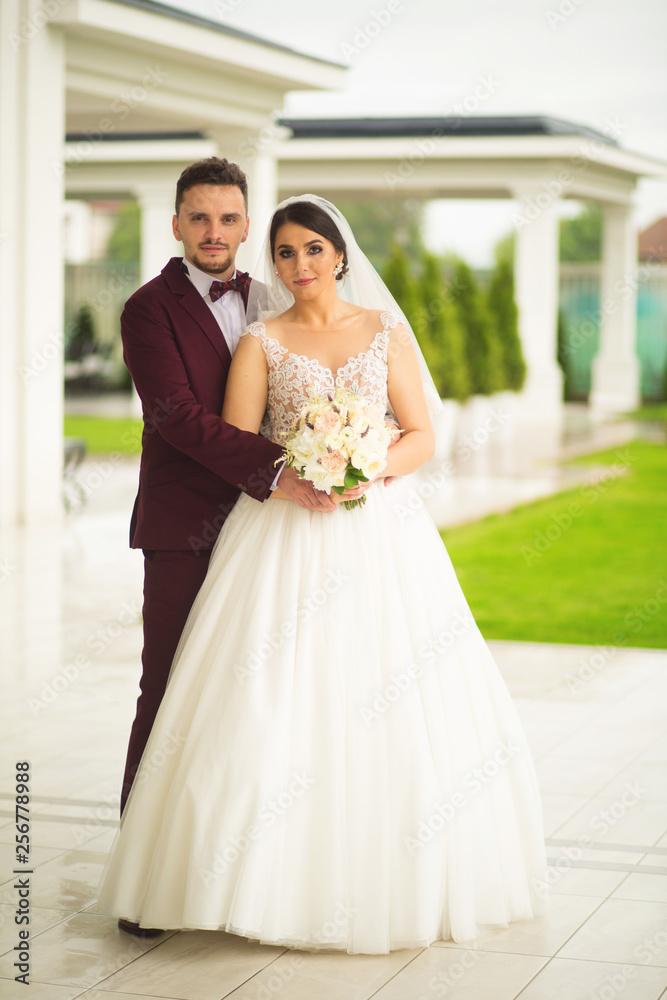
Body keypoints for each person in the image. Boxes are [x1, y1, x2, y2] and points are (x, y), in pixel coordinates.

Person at [99, 194, 548, 954]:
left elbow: (420, 433)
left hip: (378, 530)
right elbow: (238, 439)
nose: (298, 264)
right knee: (248, 693)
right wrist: (299, 471)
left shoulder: (386, 333)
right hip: (279, 527)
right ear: (269, 263)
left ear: (340, 254)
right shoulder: (259, 341)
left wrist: (365, 472)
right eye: (284, 253)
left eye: (312, 249)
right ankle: (216, 874)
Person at [118, 159, 335, 826]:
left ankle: (226, 849)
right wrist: (280, 472)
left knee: (255, 692)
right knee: (169, 686)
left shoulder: (273, 299)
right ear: (177, 221)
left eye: (229, 218)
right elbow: (177, 417)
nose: (214, 231)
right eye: (201, 217)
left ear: (245, 225)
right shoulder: (148, 309)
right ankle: (141, 859)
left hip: (271, 533)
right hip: (186, 526)